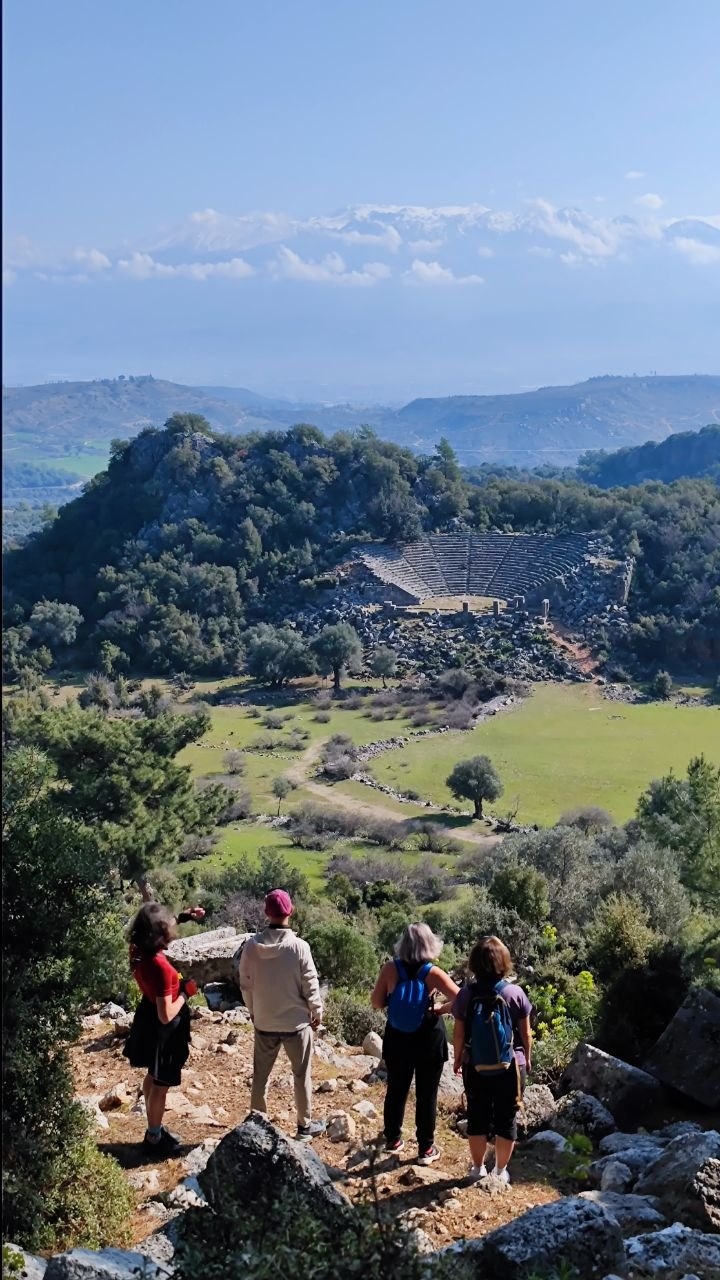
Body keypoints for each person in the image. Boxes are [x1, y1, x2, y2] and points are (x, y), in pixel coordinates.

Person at [239, 888, 326, 1141]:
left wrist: (254, 1011)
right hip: (296, 1024)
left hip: (264, 1021)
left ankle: (257, 1126)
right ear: (291, 912)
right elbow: (310, 982)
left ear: (267, 913)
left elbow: (245, 983)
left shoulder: (252, 947)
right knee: (301, 1075)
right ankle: (304, 1126)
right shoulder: (299, 947)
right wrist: (316, 1010)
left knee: (261, 1076)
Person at [371, 923, 459, 1165]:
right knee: (427, 1094)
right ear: (429, 944)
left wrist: (396, 1001)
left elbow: (377, 1003)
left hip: (397, 1037)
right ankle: (425, 1149)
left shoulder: (390, 969)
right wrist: (440, 1009)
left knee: (396, 1089)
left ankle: (392, 1139)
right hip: (428, 1039)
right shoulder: (433, 973)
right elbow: (463, 999)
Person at [452, 935, 533, 1184]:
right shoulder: (514, 993)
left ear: (474, 962)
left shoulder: (466, 995)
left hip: (475, 1064)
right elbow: (525, 1033)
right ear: (504, 962)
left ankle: (477, 1169)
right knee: (506, 1118)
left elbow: (459, 1033)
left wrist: (457, 1059)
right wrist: (526, 1059)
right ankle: (499, 1171)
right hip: (511, 1065)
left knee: (477, 1115)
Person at [123, 902, 200, 1156]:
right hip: (166, 1030)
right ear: (160, 936)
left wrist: (183, 917)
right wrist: (185, 994)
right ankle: (154, 1137)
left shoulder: (137, 950)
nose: (174, 930)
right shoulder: (162, 968)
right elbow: (166, 1015)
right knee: (160, 1083)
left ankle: (153, 1126)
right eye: (170, 928)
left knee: (153, 1076)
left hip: (148, 1019)